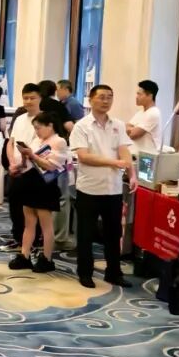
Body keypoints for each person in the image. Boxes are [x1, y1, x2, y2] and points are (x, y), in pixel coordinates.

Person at [69, 84, 136, 289]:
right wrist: (114, 163)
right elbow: (84, 156)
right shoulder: (82, 126)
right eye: (101, 97)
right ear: (91, 100)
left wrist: (132, 174)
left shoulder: (118, 125)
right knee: (86, 234)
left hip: (113, 188)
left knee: (114, 234)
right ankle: (85, 272)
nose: (106, 101)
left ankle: (113, 272)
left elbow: (124, 151)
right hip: (89, 188)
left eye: (109, 97)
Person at [8, 113, 69, 273]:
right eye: (35, 128)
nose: (37, 131)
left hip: (45, 185)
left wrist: (32, 155)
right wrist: (22, 159)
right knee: (29, 222)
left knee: (45, 224)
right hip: (30, 182)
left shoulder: (59, 141)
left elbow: (51, 166)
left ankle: (46, 258)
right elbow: (28, 164)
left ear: (50, 125)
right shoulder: (37, 140)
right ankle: (25, 255)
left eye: (39, 128)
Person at [2, 83, 43, 253]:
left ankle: (32, 242)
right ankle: (18, 239)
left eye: (32, 98)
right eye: (25, 98)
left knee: (32, 209)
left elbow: (42, 147)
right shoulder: (20, 118)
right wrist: (12, 162)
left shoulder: (45, 119)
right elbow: (10, 143)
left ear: (40, 98)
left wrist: (22, 164)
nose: (28, 101)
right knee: (15, 207)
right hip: (15, 169)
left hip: (34, 171)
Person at [126, 80, 162, 157]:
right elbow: (126, 127)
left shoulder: (153, 113)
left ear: (150, 96)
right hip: (136, 154)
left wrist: (131, 130)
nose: (136, 97)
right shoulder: (140, 112)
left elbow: (133, 135)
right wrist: (132, 129)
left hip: (148, 156)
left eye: (139, 94)